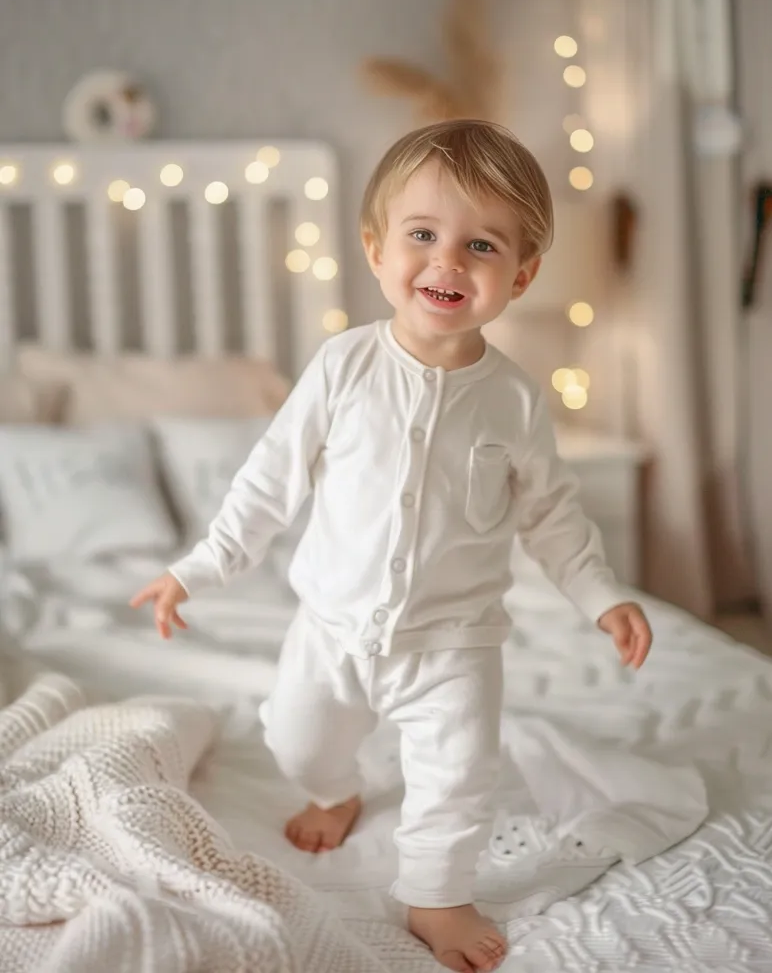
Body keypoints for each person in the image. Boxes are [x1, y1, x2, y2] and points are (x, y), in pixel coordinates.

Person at [131, 119, 653, 973]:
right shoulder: (342, 367)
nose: (448, 261)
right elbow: (269, 484)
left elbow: (554, 516)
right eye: (423, 235)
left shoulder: (515, 403)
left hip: (455, 641)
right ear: (376, 251)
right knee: (297, 740)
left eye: (481, 245)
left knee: (459, 773)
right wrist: (197, 569)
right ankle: (334, 790)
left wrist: (603, 597)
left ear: (519, 276)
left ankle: (436, 897)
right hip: (332, 627)